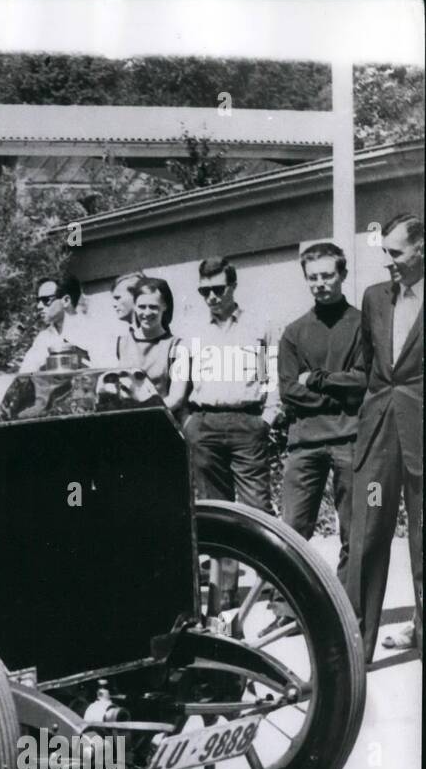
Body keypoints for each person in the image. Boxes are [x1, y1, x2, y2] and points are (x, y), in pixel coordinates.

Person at [318, 213, 422, 657]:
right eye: (386, 254)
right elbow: (368, 366)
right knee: (368, 532)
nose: (389, 263)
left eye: (396, 253)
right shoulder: (375, 298)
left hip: (422, 436)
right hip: (379, 436)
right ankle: (355, 646)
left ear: (421, 250)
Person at [275, 242, 362, 587]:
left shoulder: (361, 325)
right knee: (291, 531)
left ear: (342, 274)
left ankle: (349, 609)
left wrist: (316, 381)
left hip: (351, 440)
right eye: (313, 278)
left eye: (327, 275)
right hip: (305, 442)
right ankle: (287, 608)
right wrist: (338, 398)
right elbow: (287, 390)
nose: (320, 283)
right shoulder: (294, 333)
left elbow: (365, 380)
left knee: (356, 531)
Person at [179, 256, 280, 512]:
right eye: (205, 291)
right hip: (204, 426)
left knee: (257, 509)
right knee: (215, 509)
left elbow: (275, 374)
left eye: (218, 289)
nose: (211, 297)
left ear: (233, 286)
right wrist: (188, 423)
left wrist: (267, 418)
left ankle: (257, 555)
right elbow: (180, 380)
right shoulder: (191, 329)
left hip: (247, 424)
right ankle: (221, 556)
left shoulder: (260, 324)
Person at [117, 277, 188, 412]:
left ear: (165, 306)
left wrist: (142, 412)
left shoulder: (178, 346)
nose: (147, 313)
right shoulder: (121, 344)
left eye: (153, 307)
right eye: (142, 307)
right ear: (134, 306)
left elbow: (176, 398)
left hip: (161, 420)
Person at [21, 273, 93, 371]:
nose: (39, 306)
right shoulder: (43, 338)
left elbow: (106, 373)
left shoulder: (92, 330)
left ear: (66, 300)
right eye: (38, 300)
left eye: (46, 300)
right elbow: (26, 374)